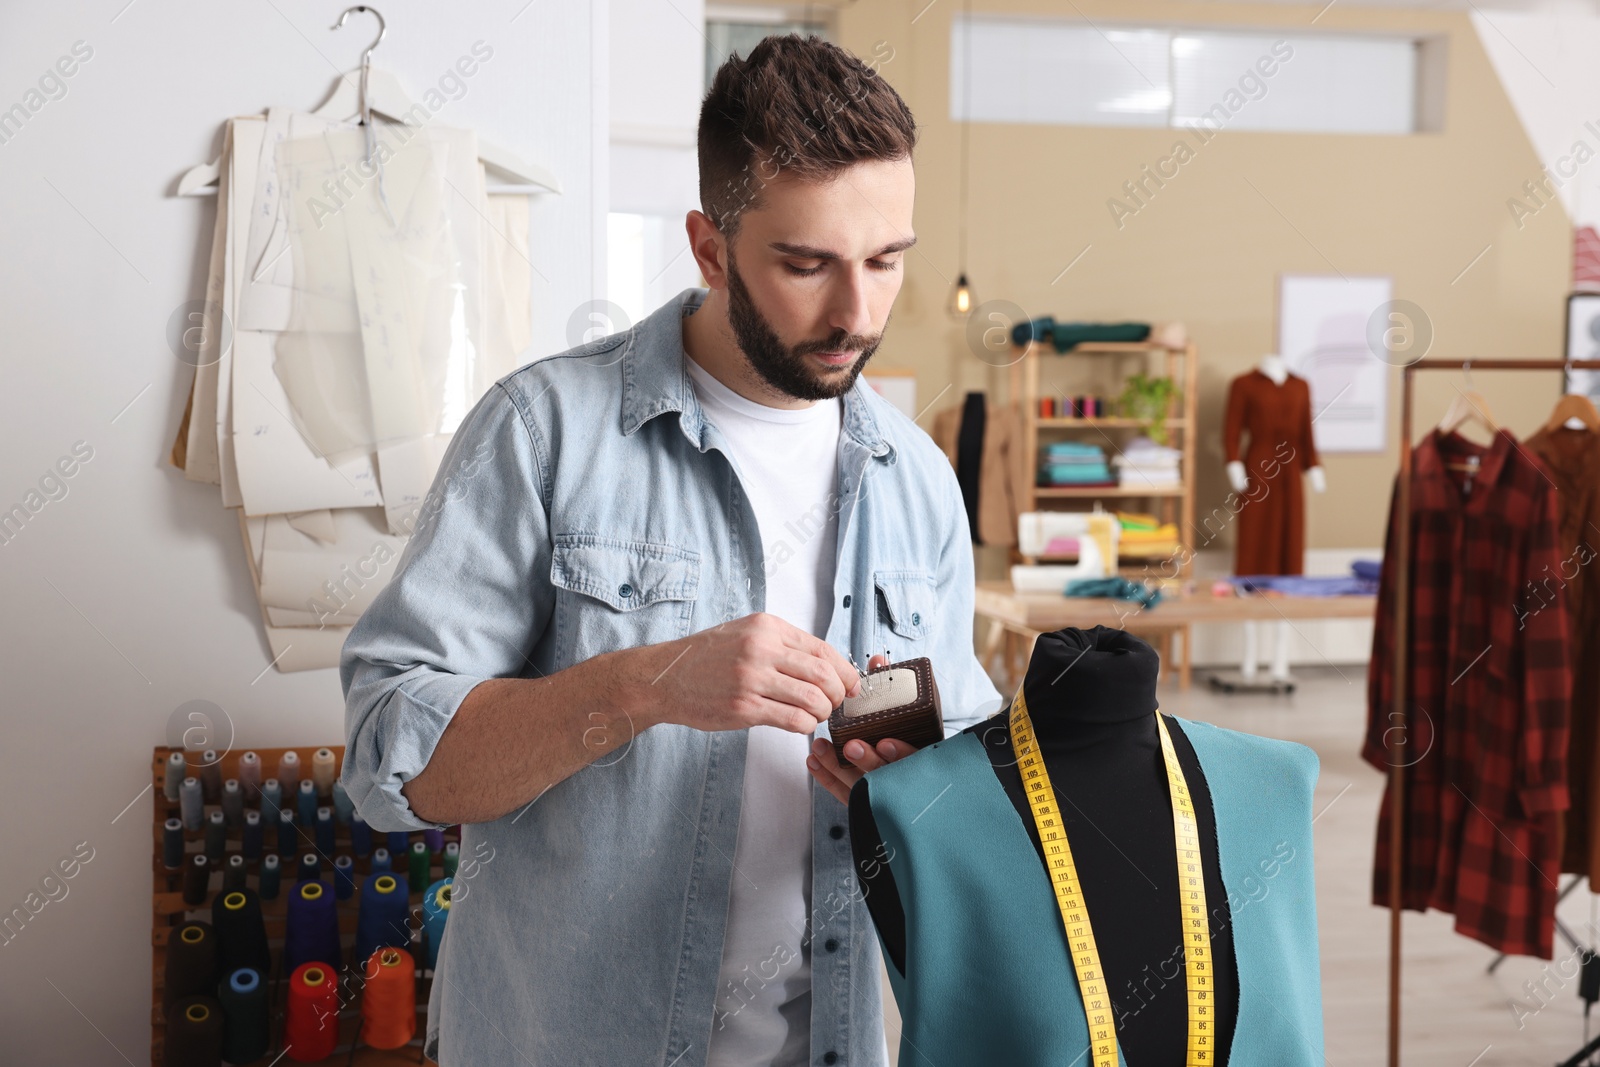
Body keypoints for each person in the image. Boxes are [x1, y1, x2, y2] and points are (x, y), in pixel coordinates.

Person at [341, 33, 1002, 1067]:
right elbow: (393, 764)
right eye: (805, 264)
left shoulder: (917, 480)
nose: (857, 312)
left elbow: (965, 782)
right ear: (708, 247)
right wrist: (642, 684)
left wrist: (924, 778)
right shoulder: (541, 430)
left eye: (884, 261)